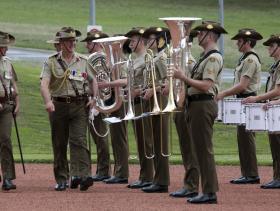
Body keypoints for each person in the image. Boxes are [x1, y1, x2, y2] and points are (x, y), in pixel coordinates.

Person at [169, 21, 227, 204]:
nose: (197, 36)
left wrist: (183, 77)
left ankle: (210, 192)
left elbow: (207, 85)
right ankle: (204, 190)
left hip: (203, 105)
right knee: (199, 150)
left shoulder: (213, 58)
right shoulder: (204, 57)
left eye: (200, 33)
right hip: (196, 105)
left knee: (204, 151)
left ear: (209, 36)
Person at [40, 26, 97, 191]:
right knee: (59, 143)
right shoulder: (51, 61)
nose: (72, 43)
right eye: (69, 41)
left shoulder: (83, 61)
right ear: (61, 43)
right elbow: (44, 84)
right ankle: (62, 178)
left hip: (79, 105)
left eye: (74, 40)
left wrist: (94, 98)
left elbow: (93, 81)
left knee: (79, 140)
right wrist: (48, 101)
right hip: (58, 106)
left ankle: (84, 175)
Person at [216, 28, 263, 185]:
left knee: (246, 138)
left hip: (247, 101)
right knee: (242, 138)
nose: (237, 43)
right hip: (243, 101)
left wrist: (223, 94)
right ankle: (247, 173)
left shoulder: (250, 60)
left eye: (240, 41)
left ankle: (251, 174)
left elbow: (243, 86)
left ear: (248, 42)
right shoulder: (245, 59)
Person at [242, 34, 280, 189]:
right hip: (275, 107)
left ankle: (278, 178)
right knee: (275, 144)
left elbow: (278, 90)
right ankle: (277, 176)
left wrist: (257, 98)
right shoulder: (276, 65)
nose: (269, 49)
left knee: (278, 144)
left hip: (277, 108)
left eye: (272, 46)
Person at [169, 30, 200, 198]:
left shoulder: (189, 61)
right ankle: (189, 184)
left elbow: (186, 86)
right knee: (185, 148)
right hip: (179, 106)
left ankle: (191, 185)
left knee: (190, 149)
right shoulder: (179, 61)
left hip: (185, 106)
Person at [140, 27, 170, 193]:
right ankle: (158, 179)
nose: (146, 42)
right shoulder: (154, 57)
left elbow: (169, 82)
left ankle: (162, 180)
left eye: (150, 39)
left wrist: (154, 89)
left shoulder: (161, 58)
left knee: (160, 141)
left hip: (160, 100)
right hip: (152, 100)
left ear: (159, 41)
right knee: (155, 141)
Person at [125, 27, 155, 189]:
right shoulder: (135, 59)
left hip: (143, 102)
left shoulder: (147, 58)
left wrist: (136, 91)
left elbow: (148, 83)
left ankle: (148, 176)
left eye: (133, 40)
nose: (130, 43)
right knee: (140, 141)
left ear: (142, 42)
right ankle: (145, 175)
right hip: (135, 103)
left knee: (146, 141)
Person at [81, 30, 111, 182]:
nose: (87, 45)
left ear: (97, 43)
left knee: (100, 137)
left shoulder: (98, 58)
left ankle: (104, 170)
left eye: (90, 42)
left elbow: (100, 82)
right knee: (98, 138)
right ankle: (102, 169)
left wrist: (96, 102)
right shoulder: (96, 58)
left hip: (98, 102)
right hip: (94, 100)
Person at [0, 31, 19, 191]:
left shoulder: (8, 63)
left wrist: (17, 103)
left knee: (6, 140)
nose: (6, 49)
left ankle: (7, 178)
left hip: (6, 106)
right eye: (4, 46)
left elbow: (13, 85)